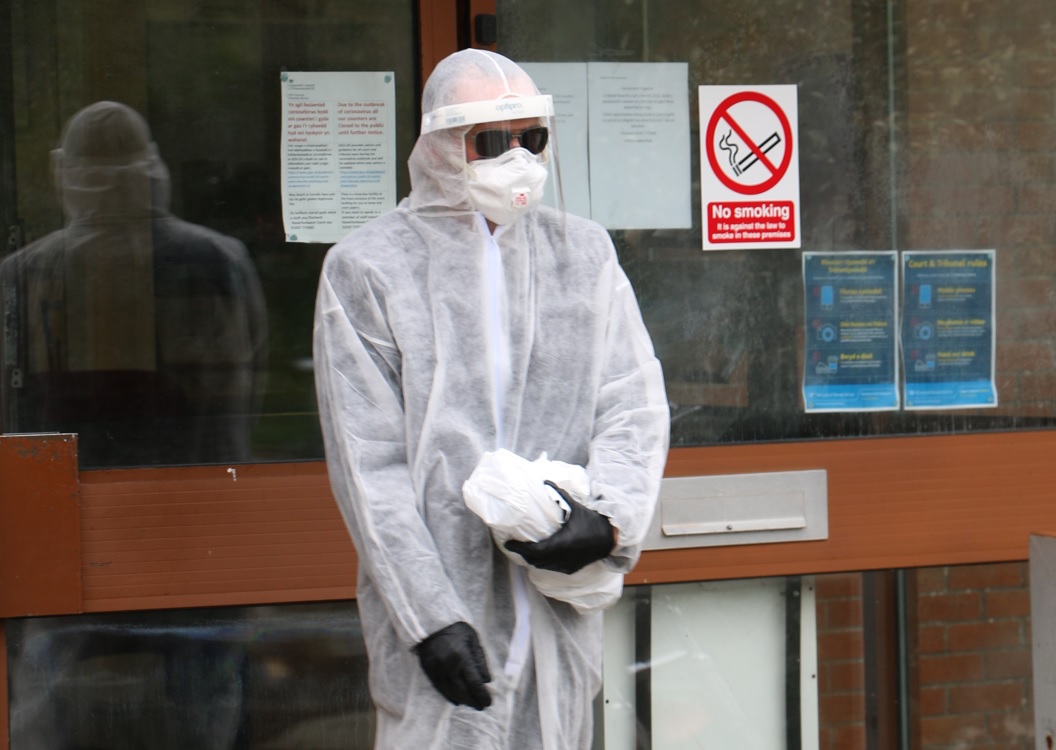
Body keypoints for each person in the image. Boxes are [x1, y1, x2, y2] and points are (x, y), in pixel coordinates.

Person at [313, 49, 669, 748]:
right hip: (444, 614)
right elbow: (368, 466)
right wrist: (428, 617)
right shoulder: (369, 268)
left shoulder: (583, 254)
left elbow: (632, 402)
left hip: (558, 607)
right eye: (493, 140)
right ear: (442, 144)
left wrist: (611, 520)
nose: (518, 158)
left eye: (531, 137)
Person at [0, 101, 268, 467]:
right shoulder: (220, 257)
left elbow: (13, 402)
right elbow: (247, 383)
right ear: (151, 166)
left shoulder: (24, 271)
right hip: (203, 476)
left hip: (66, 482)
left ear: (65, 171)